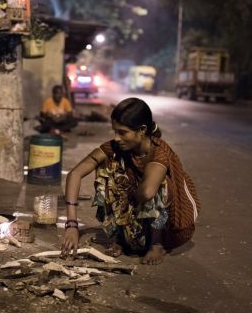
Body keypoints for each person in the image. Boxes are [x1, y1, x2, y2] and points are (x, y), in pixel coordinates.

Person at [61, 98, 200, 265]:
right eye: (115, 131)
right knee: (108, 167)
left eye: (122, 132)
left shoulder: (159, 153)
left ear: (142, 130)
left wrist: (128, 196)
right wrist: (71, 224)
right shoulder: (116, 147)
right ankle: (121, 239)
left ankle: (157, 244)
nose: (117, 138)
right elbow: (75, 174)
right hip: (134, 213)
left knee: (161, 184)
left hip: (164, 226)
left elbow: (148, 192)